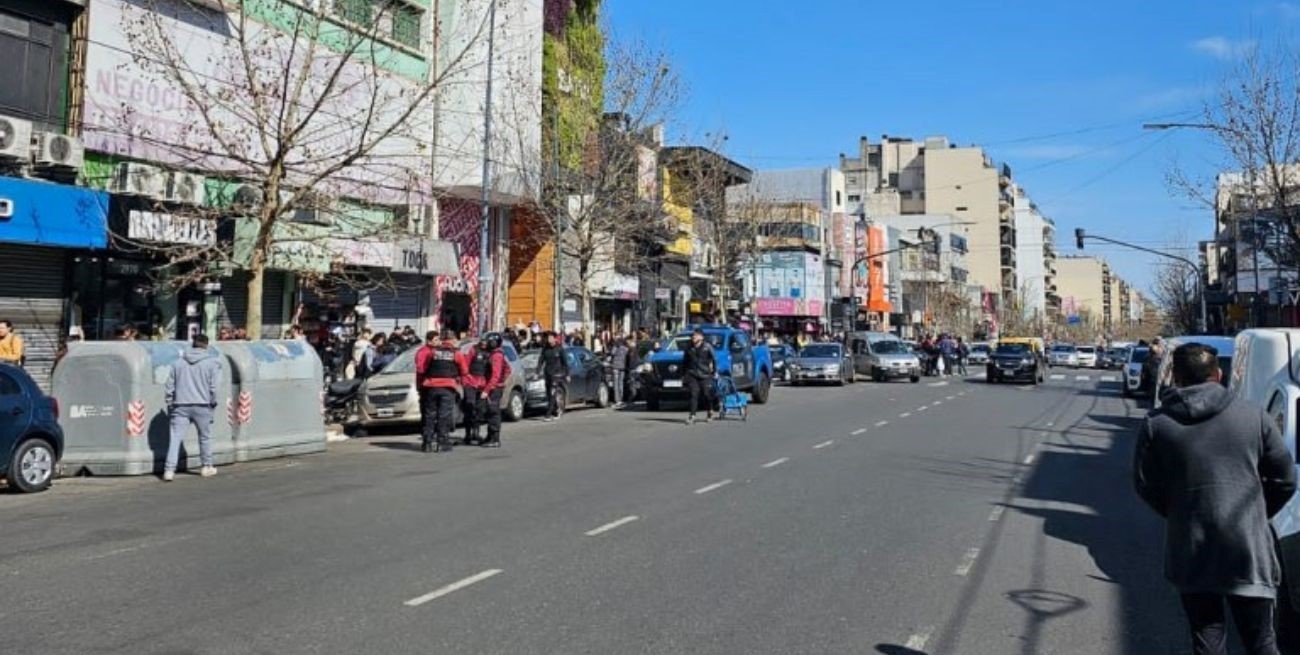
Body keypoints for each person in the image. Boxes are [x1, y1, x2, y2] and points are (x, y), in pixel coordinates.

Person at [1134, 343, 1297, 655]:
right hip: (1248, 548)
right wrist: (1256, 514)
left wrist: (1183, 512)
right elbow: (1285, 480)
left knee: (1207, 640)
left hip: (1192, 550)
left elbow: (1145, 485)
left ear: (1174, 376)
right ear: (1218, 374)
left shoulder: (1158, 424)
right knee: (1262, 642)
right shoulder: (1254, 417)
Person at [162, 334, 222, 481]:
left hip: (180, 406)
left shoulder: (178, 363)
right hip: (203, 405)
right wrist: (213, 402)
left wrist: (170, 403)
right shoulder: (212, 363)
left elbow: (169, 386)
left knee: (175, 438)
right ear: (206, 346)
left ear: (193, 344)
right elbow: (214, 388)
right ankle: (206, 467)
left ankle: (169, 471)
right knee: (205, 437)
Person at [415, 330, 463, 453]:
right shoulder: (456, 353)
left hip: (430, 386)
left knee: (429, 415)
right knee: (443, 415)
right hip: (447, 387)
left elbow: (424, 369)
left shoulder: (432, 352)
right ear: (452, 340)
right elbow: (465, 370)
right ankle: (442, 442)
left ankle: (427, 443)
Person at [479, 333, 510, 447]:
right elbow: (508, 369)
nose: (485, 344)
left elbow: (495, 375)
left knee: (493, 412)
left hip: (494, 388)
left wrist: (487, 390)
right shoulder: (494, 354)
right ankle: (490, 436)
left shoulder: (497, 355)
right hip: (495, 387)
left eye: (487, 342)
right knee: (489, 412)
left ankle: (495, 438)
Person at [683, 328, 717, 425]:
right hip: (692, 374)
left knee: (706, 394)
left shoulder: (707, 347)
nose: (694, 337)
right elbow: (685, 361)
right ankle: (692, 415)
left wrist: (714, 371)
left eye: (696, 335)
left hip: (705, 374)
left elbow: (714, 359)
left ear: (701, 337)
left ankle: (710, 411)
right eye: (693, 335)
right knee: (694, 394)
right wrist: (683, 375)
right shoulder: (689, 347)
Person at [462, 337, 491, 445]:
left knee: (480, 410)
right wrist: (467, 380)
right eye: (482, 342)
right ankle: (468, 434)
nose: (484, 344)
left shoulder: (490, 353)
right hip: (471, 383)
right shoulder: (473, 350)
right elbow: (465, 366)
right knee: (470, 407)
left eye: (486, 342)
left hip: (483, 384)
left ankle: (476, 432)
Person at [540, 331, 569, 421]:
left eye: (551, 338)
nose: (549, 340)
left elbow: (565, 363)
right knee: (549, 394)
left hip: (557, 375)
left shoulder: (559, 349)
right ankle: (557, 410)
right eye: (548, 338)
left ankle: (548, 415)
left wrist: (567, 374)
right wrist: (537, 372)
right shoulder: (545, 349)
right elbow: (541, 361)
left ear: (555, 339)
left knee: (552, 393)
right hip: (547, 374)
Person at [610, 337, 629, 408]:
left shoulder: (615, 348)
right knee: (621, 383)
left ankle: (617, 400)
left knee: (616, 384)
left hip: (615, 367)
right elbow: (627, 356)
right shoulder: (625, 349)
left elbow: (612, 353)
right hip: (622, 367)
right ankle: (621, 399)